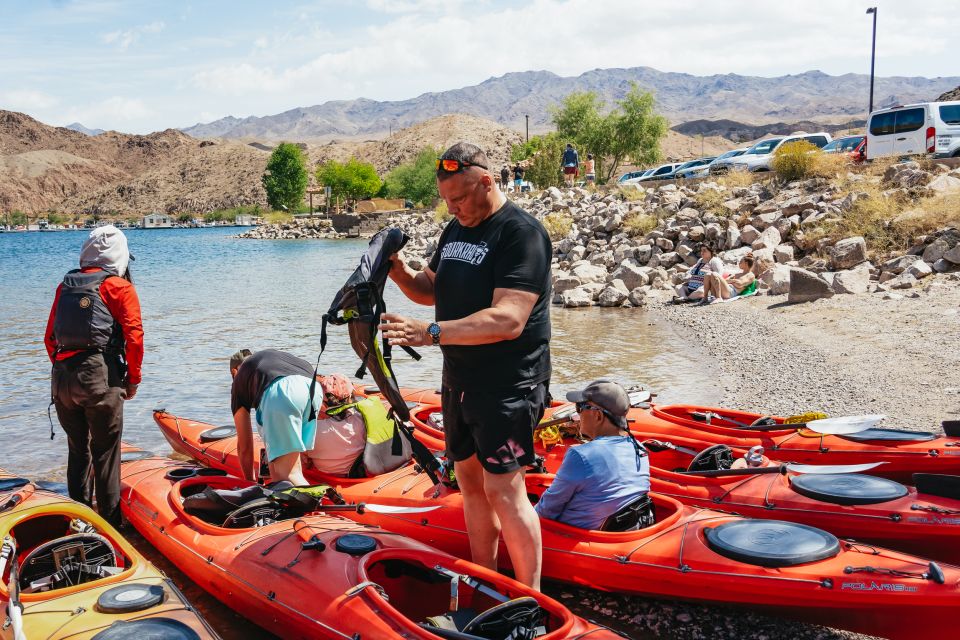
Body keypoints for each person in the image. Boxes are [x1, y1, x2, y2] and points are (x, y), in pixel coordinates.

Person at [381, 142, 552, 589]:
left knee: (504, 489)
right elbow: (430, 289)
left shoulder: (520, 234)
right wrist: (397, 271)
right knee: (469, 483)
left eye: (459, 198)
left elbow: (509, 319)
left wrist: (430, 333)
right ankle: (487, 582)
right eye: (446, 201)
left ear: (487, 182)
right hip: (460, 378)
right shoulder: (456, 230)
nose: (453, 208)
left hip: (507, 382)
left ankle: (530, 596)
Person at [45, 225, 143, 527]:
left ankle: (78, 521)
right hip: (98, 376)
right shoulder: (119, 287)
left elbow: (50, 338)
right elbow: (134, 337)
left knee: (78, 450)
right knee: (105, 454)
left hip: (62, 379)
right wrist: (133, 380)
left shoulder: (66, 286)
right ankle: (111, 527)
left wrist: (64, 368)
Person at [534, 380, 650, 530]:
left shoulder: (580, 456)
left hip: (573, 535)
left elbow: (546, 511)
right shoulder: (639, 449)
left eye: (580, 407)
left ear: (598, 416)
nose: (577, 414)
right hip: (621, 527)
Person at [229, 348, 323, 486]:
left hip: (284, 392)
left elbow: (245, 446)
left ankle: (314, 504)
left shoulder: (240, 379)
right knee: (278, 474)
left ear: (234, 372)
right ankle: (293, 502)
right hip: (314, 388)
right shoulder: (266, 360)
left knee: (288, 474)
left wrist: (249, 482)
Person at [305, 372, 366, 477]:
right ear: (350, 395)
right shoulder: (362, 420)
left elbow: (302, 462)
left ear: (322, 401)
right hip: (357, 475)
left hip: (324, 478)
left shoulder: (310, 429)